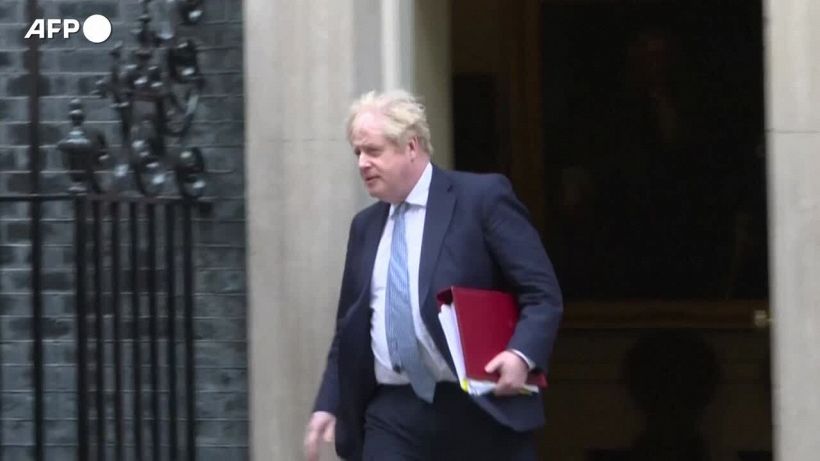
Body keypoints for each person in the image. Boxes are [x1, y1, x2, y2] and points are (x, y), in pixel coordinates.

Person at [303, 90, 563, 461]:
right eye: (357, 152)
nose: (362, 163)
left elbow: (541, 293)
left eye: (373, 151)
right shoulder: (365, 227)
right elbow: (349, 327)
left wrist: (521, 355)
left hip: (478, 408)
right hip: (393, 412)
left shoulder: (480, 198)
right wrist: (329, 402)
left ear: (411, 146)